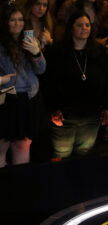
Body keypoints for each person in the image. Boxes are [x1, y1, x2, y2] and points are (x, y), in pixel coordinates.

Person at [45, 10, 108, 158]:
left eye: (87, 25)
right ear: (71, 28)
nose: (84, 28)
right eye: (80, 25)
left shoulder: (100, 52)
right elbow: (49, 82)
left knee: (84, 155)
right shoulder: (57, 52)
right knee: (61, 155)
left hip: (92, 116)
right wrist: (53, 108)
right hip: (64, 117)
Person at [0, 3, 46, 167]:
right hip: (7, 98)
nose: (17, 23)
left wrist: (36, 52)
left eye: (20, 19)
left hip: (29, 98)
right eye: (12, 20)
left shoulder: (28, 41)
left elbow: (41, 70)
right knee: (2, 145)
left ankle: (20, 185)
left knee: (23, 144)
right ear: (5, 22)